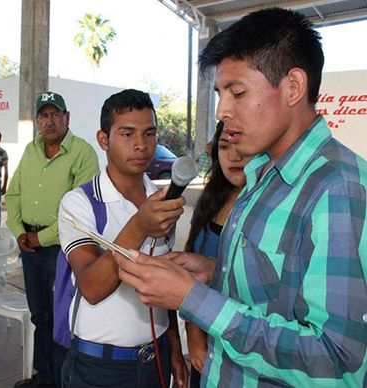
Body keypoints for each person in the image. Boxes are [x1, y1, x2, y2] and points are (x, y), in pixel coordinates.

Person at [117, 8, 367, 387]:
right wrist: (212, 276)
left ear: (294, 87)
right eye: (219, 94)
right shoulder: (261, 176)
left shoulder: (337, 188)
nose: (222, 112)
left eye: (237, 92)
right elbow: (281, 294)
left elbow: (336, 360)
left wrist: (193, 299)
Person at [58, 89, 189, 388]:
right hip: (101, 367)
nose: (141, 145)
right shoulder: (80, 203)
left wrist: (173, 346)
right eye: (127, 134)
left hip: (156, 356)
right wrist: (139, 225)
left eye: (149, 133)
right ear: (104, 139)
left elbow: (162, 280)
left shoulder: (160, 199)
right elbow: (92, 287)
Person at [6, 91, 99, 388]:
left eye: (55, 114)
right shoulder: (31, 150)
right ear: (37, 121)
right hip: (29, 247)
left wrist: (40, 238)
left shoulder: (83, 153)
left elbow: (81, 212)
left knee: (63, 320)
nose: (50, 121)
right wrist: (19, 231)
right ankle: (43, 377)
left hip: (63, 249)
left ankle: (62, 381)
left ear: (67, 118)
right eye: (44, 115)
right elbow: (14, 195)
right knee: (40, 316)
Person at [184, 121, 252, 387]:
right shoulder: (211, 200)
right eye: (224, 146)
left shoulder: (270, 209)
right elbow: (191, 276)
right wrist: (194, 335)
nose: (234, 156)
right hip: (206, 344)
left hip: (248, 347)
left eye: (242, 145)